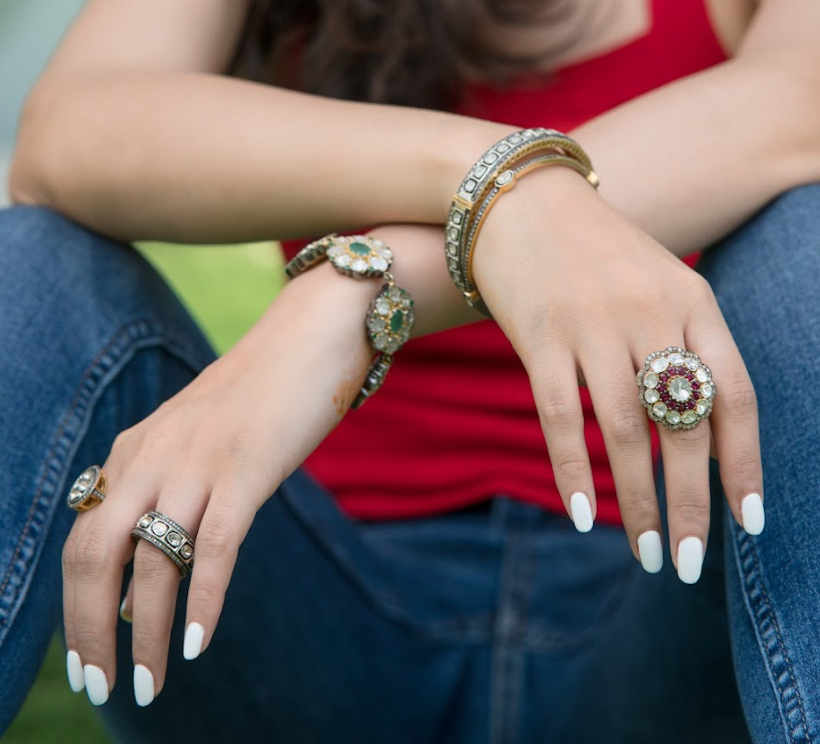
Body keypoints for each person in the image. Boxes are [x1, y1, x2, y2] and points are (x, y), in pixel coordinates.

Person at [1, 0, 819, 741]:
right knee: (36, 264)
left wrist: (351, 301)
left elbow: (799, 103)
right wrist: (497, 183)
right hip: (316, 619)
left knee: (803, 245)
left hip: (665, 609)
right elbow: (69, 130)